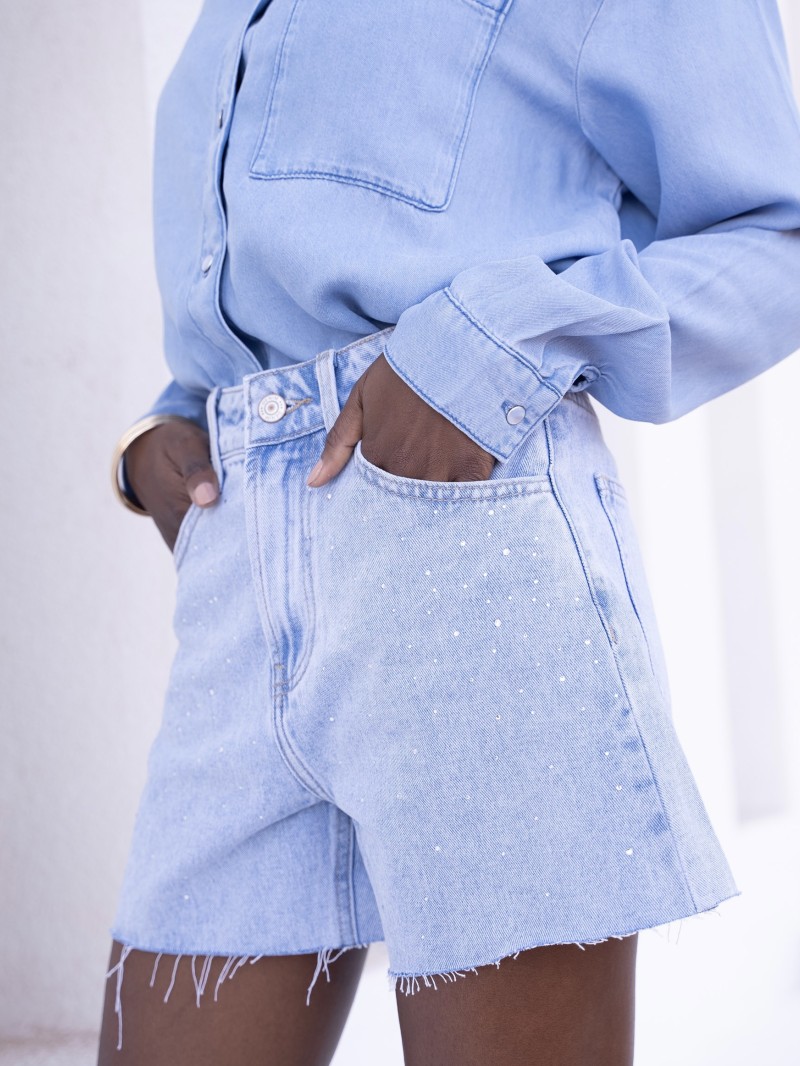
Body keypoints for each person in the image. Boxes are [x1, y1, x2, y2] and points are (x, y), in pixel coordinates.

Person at [99, 1, 800, 1063]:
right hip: (235, 590)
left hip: (466, 557)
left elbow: (776, 233)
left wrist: (496, 347)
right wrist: (171, 417)